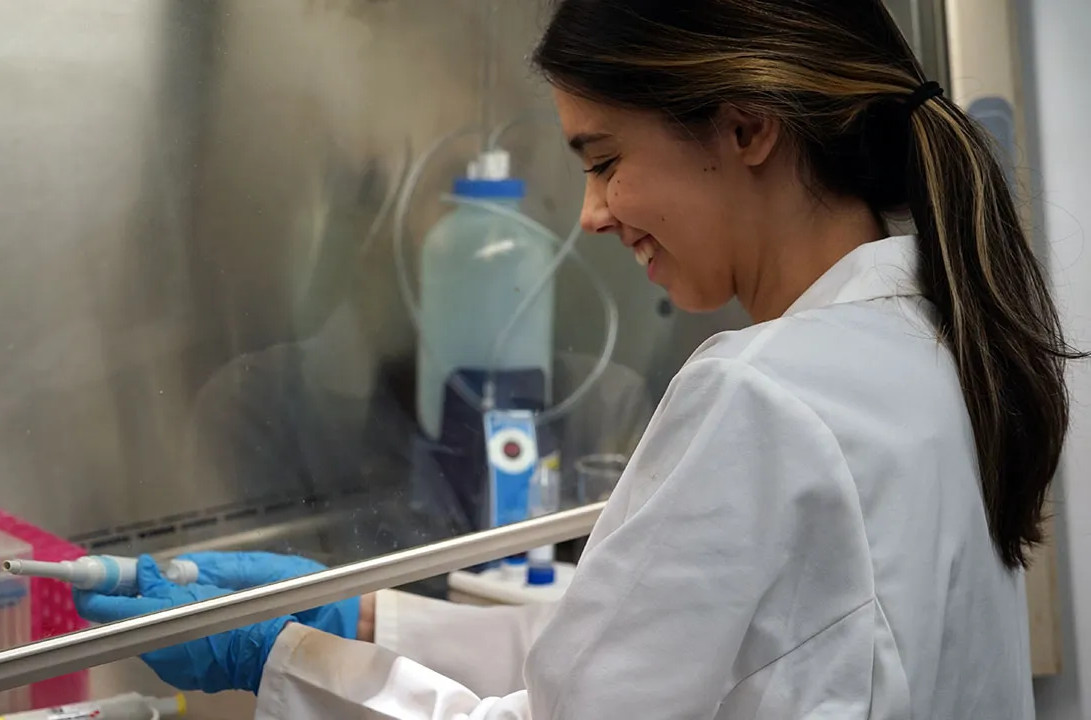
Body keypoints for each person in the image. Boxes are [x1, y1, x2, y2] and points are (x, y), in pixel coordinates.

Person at [75, 1, 1083, 717]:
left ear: (743, 127)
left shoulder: (759, 394)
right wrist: (363, 616)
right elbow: (638, 655)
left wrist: (278, 659)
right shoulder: (931, 340)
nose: (591, 215)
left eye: (603, 160)